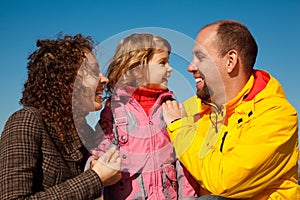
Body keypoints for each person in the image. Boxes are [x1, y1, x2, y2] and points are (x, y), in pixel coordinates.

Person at [162, 20, 298, 199]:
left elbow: (222, 183)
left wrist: (179, 128)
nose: (190, 67)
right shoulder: (196, 106)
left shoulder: (277, 116)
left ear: (230, 61)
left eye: (201, 57)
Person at [0, 34, 122, 200]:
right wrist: (96, 178)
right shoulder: (26, 121)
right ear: (66, 80)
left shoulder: (85, 132)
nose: (105, 79)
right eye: (93, 72)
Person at [90, 33, 200, 199]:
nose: (170, 69)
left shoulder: (171, 109)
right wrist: (92, 164)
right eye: (162, 63)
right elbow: (99, 156)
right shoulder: (114, 111)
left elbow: (183, 164)